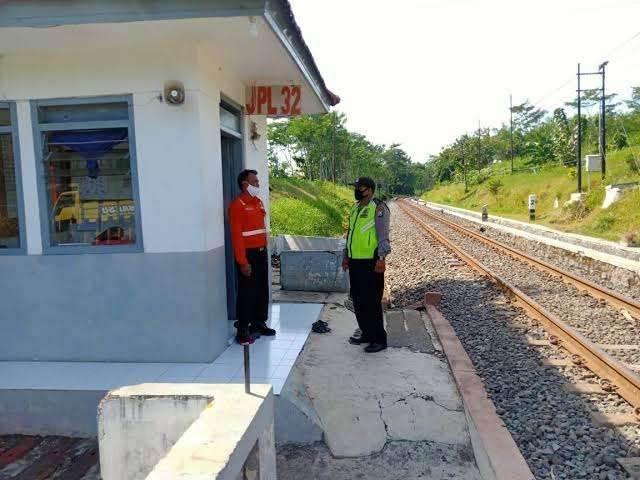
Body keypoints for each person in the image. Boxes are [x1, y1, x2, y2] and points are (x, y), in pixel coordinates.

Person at [341, 177, 390, 353]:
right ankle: (367, 334)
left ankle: (379, 339)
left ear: (368, 190)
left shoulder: (378, 207)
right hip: (355, 262)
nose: (356, 190)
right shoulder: (355, 208)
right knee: (359, 300)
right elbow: (350, 235)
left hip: (371, 262)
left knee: (372, 302)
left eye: (358, 187)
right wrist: (346, 256)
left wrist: (382, 259)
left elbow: (383, 235)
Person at [228, 169, 276, 344]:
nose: (258, 184)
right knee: (247, 293)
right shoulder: (237, 206)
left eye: (257, 181)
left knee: (262, 291)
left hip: (261, 253)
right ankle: (242, 330)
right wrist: (243, 262)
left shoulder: (258, 203)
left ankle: (258, 324)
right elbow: (237, 237)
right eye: (255, 181)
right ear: (245, 184)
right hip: (248, 256)